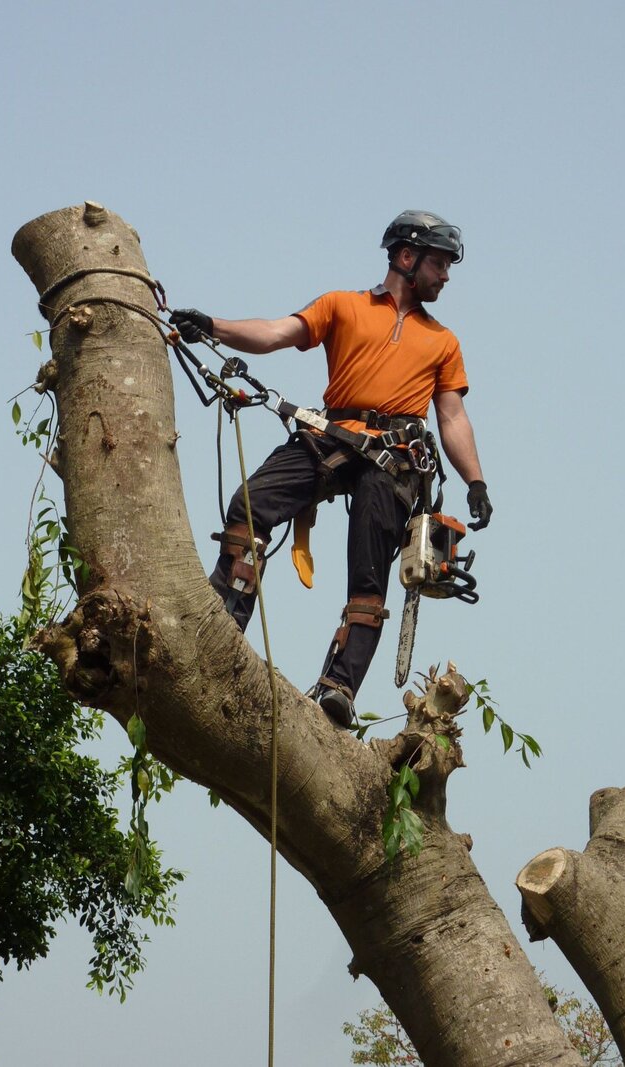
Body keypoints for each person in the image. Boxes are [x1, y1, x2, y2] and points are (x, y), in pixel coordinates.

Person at [170, 210, 492, 727]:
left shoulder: (443, 341)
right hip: (334, 436)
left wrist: (475, 480)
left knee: (369, 576)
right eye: (439, 263)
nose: (447, 276)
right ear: (407, 258)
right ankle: (224, 619)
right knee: (250, 505)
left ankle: (339, 689)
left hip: (396, 456)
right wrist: (212, 326)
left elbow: (451, 415)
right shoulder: (343, 306)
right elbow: (276, 332)